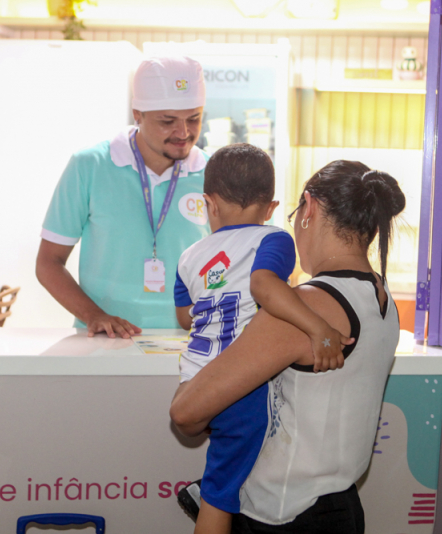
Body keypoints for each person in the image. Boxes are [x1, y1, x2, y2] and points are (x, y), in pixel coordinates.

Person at [171, 160, 406, 533]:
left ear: (308, 208)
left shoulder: (307, 306)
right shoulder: (381, 297)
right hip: (342, 506)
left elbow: (186, 413)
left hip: (280, 512)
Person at [36, 56, 210, 338]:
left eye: (194, 119)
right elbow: (48, 263)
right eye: (168, 121)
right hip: (107, 342)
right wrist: (93, 316)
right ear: (137, 114)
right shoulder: (89, 166)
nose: (184, 133)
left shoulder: (214, 173)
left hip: (193, 342)